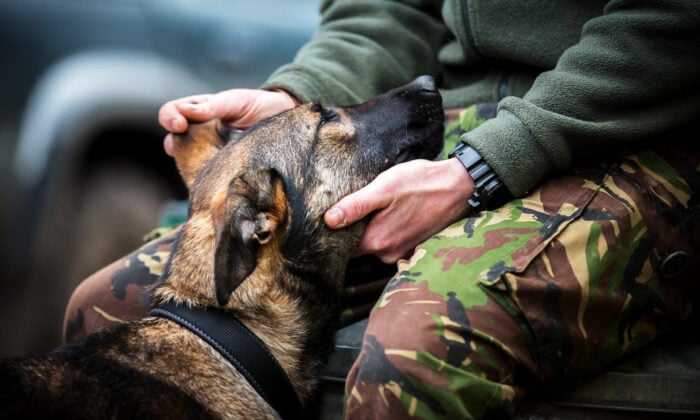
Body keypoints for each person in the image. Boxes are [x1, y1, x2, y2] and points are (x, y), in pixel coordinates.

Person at [63, 0, 699, 418]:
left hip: (637, 128)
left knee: (410, 354)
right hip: (463, 122)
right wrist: (296, 98)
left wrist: (481, 168)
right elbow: (385, 10)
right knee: (104, 305)